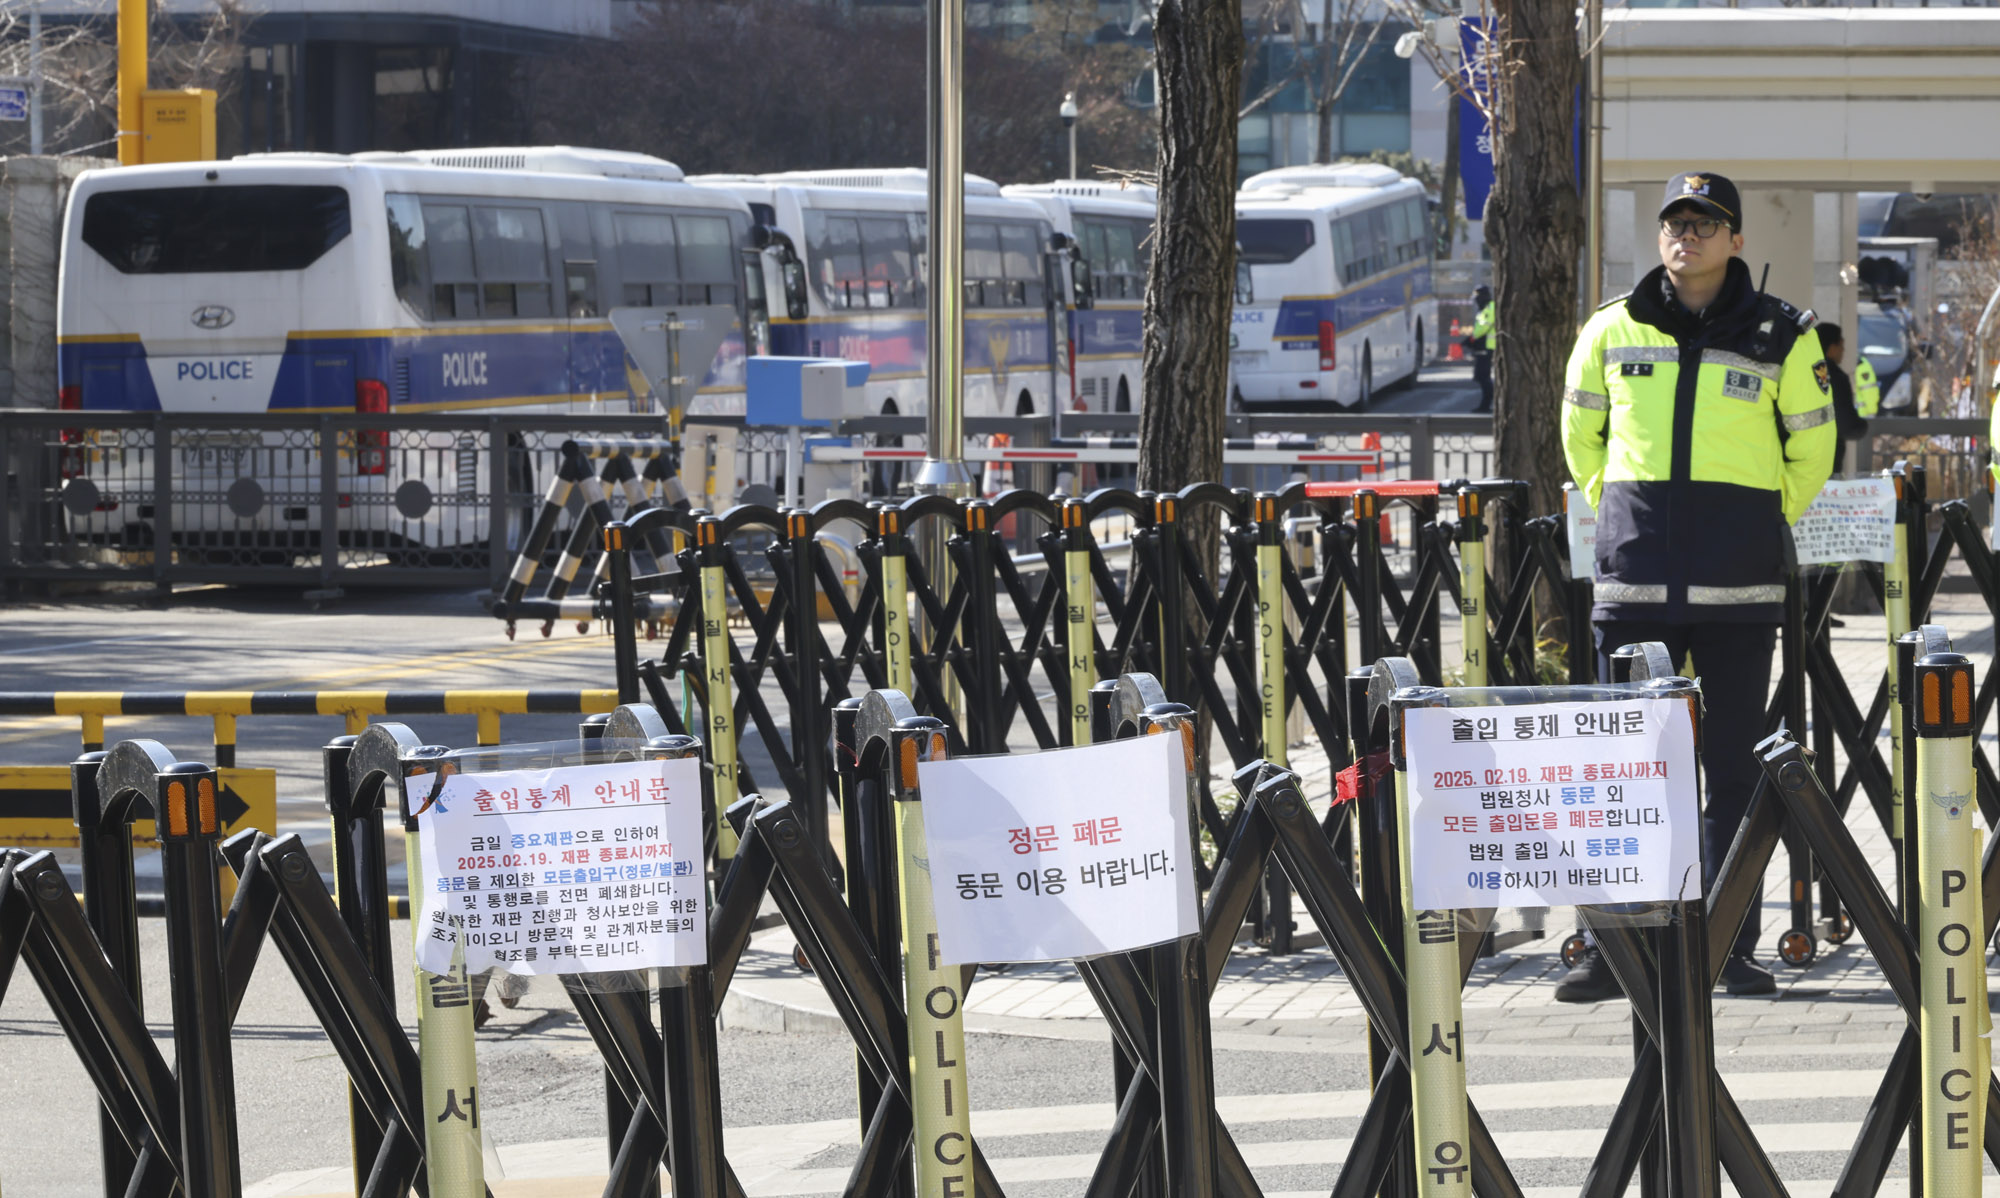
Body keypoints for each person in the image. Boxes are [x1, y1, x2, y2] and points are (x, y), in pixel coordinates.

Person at [1556, 171, 1836, 1002]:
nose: (1687, 235)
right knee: (1621, 773)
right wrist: (1622, 511)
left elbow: (1813, 448)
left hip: (1738, 590)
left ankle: (1726, 949)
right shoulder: (1610, 326)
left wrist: (1758, 519)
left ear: (1736, 239)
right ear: (1661, 237)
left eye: (1706, 223)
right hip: (1634, 585)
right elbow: (1580, 433)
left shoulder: (1784, 334)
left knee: (1735, 776)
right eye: (1676, 222)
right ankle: (1617, 952)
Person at [1815, 322, 1868, 474]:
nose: (1843, 351)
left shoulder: (1799, 372)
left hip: (1796, 457)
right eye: (1841, 346)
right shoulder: (1835, 378)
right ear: (1832, 348)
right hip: (1827, 460)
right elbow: (1847, 425)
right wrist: (1862, 426)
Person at [1467, 284, 1495, 412]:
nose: (1476, 301)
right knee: (1482, 376)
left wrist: (1473, 337)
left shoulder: (1489, 308)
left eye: (1477, 298)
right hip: (1484, 346)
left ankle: (1486, 405)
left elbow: (1482, 328)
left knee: (1483, 377)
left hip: (1487, 347)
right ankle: (1485, 405)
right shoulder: (1486, 308)